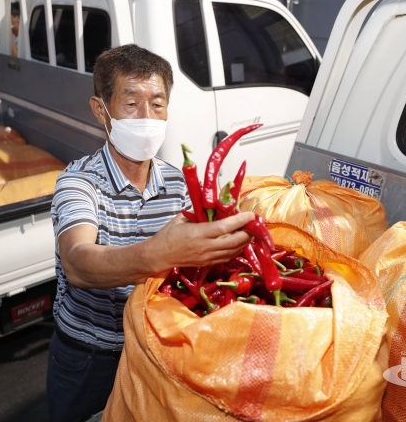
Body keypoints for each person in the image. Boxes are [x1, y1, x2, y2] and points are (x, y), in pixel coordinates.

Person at [46, 44, 255, 422]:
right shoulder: (79, 183)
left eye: (157, 105)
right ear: (101, 111)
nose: (146, 116)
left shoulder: (177, 183)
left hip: (153, 352)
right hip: (90, 357)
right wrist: (162, 253)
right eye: (131, 104)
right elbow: (78, 263)